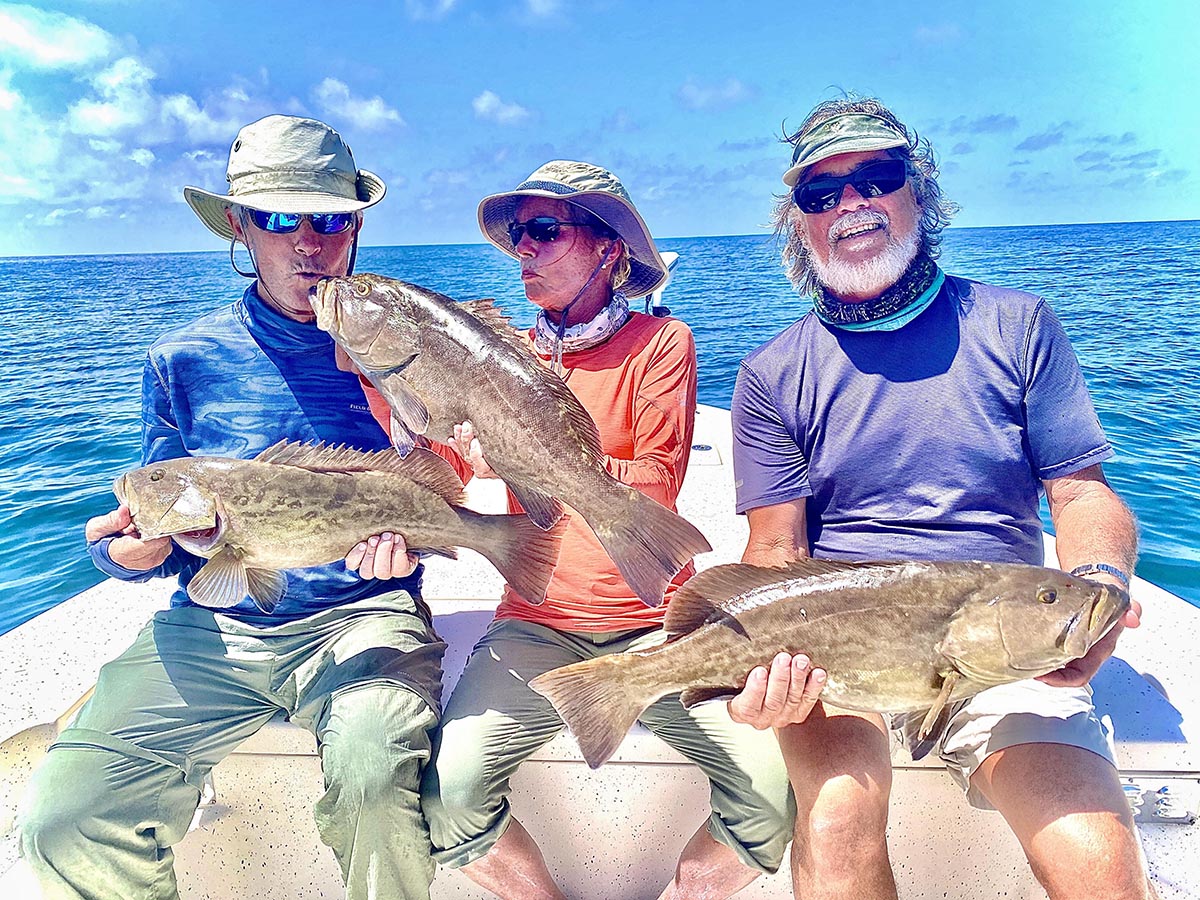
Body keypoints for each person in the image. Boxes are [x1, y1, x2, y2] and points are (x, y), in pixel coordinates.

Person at [726, 96, 1156, 900]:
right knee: (833, 826)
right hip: (836, 659)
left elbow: (1080, 491)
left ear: (916, 192)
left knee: (1095, 858)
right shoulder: (771, 375)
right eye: (822, 195)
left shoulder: (1019, 325)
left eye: (874, 179)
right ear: (801, 226)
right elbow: (774, 556)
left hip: (1003, 640)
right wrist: (750, 674)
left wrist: (1101, 578)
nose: (850, 204)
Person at [18, 115, 443, 900]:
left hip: (367, 612)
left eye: (332, 220)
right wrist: (121, 554)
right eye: (281, 218)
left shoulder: (403, 348)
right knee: (63, 818)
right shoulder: (182, 357)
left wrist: (420, 538)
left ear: (355, 230)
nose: (309, 242)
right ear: (240, 227)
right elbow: (163, 514)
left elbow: (444, 475)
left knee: (377, 780)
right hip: (213, 623)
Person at [410, 161, 794, 900]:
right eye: (519, 235)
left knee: (772, 800)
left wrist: (534, 457)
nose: (524, 249)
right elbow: (450, 465)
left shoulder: (661, 342)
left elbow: (656, 476)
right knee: (449, 800)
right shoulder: (505, 357)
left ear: (610, 250)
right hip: (536, 623)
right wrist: (394, 386)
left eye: (545, 232)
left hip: (661, 622)